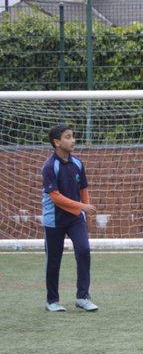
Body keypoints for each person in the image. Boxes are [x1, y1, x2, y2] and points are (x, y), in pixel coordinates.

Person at [41, 124, 99, 312]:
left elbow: (83, 189)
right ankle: (52, 300)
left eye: (73, 136)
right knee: (54, 260)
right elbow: (55, 197)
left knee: (84, 251)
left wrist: (86, 214)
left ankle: (82, 297)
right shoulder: (50, 166)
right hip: (54, 220)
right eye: (68, 137)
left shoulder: (78, 164)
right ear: (56, 142)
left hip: (75, 219)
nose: (73, 140)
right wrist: (82, 207)